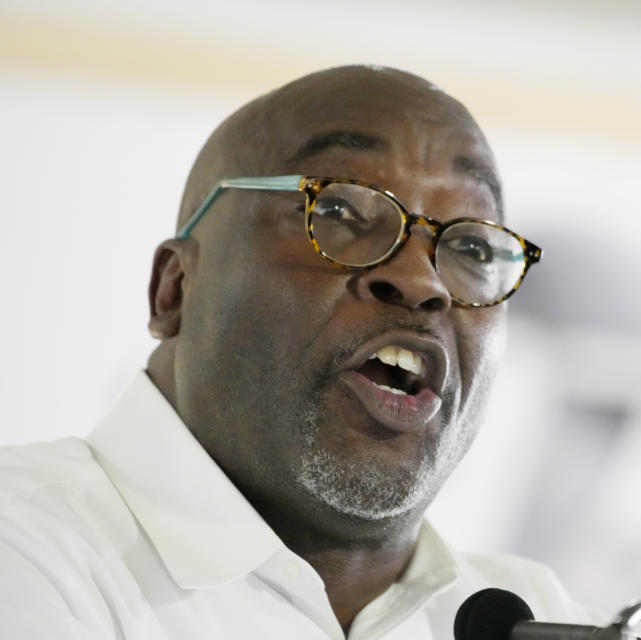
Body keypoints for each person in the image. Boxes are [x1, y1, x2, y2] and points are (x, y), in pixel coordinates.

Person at [0, 66, 593, 639]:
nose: (423, 281)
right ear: (175, 289)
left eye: (474, 248)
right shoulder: (26, 545)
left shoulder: (542, 616)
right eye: (338, 211)